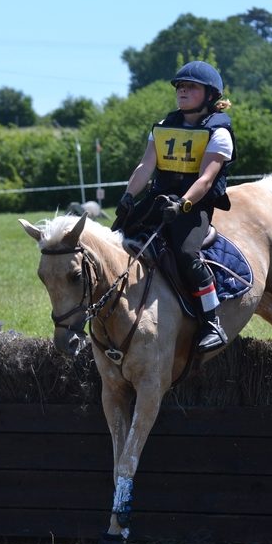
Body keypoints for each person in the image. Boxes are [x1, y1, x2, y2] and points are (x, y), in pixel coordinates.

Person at [114, 60, 236, 352]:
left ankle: (211, 322)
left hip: (194, 207)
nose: (182, 91)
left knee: (185, 253)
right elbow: (145, 166)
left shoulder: (219, 132)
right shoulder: (163, 127)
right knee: (115, 237)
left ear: (209, 95)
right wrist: (128, 197)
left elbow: (206, 179)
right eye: (180, 87)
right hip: (159, 199)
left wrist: (183, 204)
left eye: (190, 87)